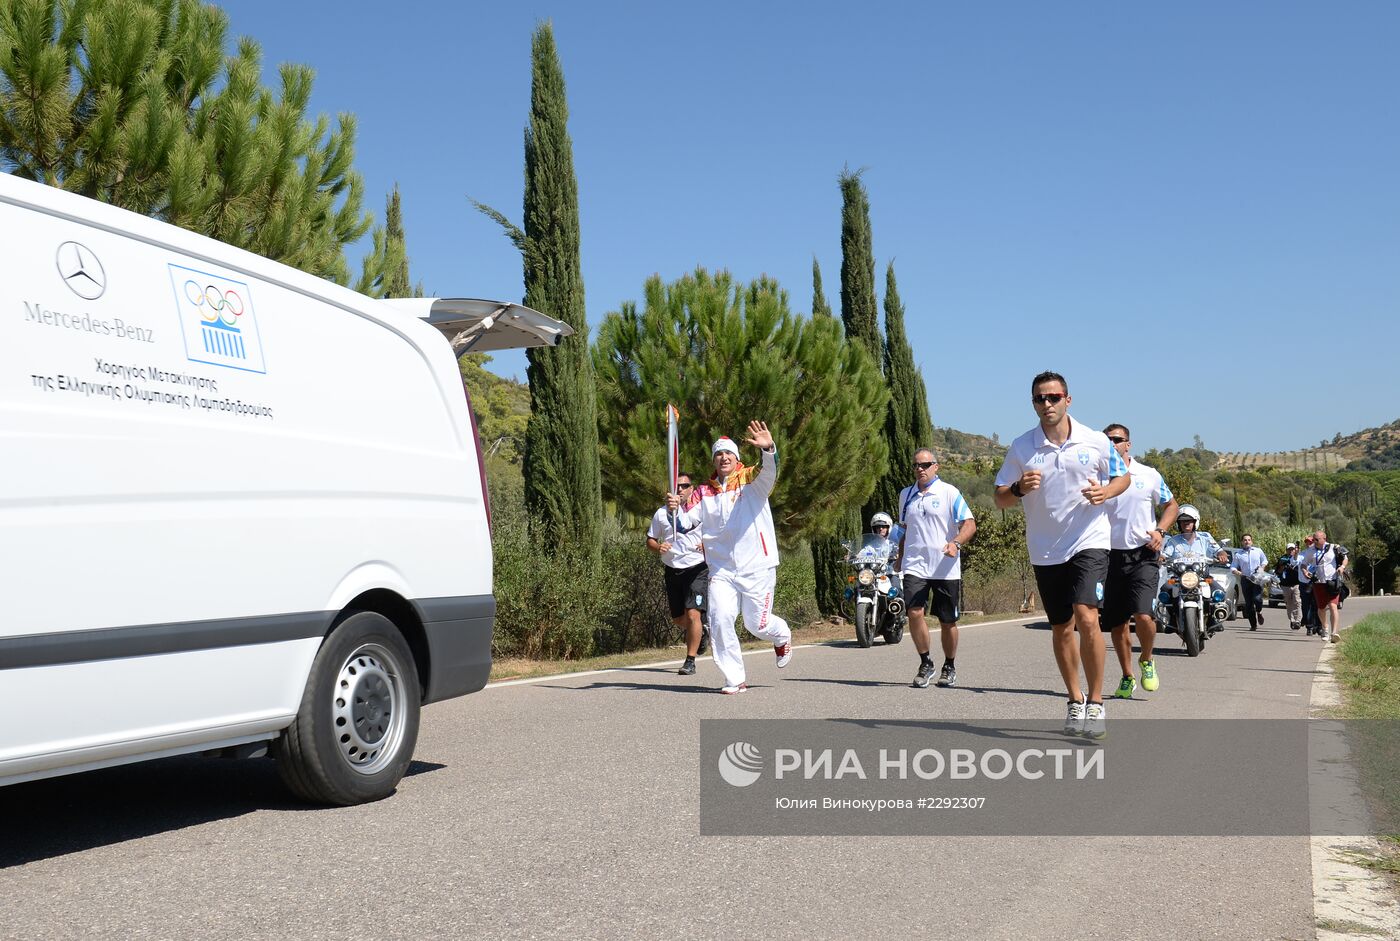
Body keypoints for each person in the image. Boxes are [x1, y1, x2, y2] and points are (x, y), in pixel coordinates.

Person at [995, 371, 1129, 739]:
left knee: (1087, 618)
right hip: (1045, 549)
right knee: (1061, 627)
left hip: (1089, 540)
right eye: (1040, 399)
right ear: (1033, 403)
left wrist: (1107, 493)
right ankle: (1075, 698)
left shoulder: (1095, 441)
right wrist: (1020, 489)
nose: (1047, 404)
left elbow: (1122, 478)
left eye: (1054, 397)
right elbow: (999, 496)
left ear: (1068, 399)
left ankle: (1097, 703)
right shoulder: (1023, 446)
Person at [667, 422, 793, 694]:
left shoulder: (753, 480)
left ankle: (781, 636)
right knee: (720, 618)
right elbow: (687, 521)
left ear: (737, 458)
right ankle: (734, 678)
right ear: (714, 460)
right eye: (718, 454)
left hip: (757, 565)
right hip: (722, 569)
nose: (723, 458)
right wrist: (674, 510)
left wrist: (769, 450)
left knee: (757, 624)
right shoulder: (703, 492)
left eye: (728, 454)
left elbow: (770, 471)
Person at [1100, 424, 1178, 699]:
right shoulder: (1096, 476)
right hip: (1108, 557)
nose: (1112, 444)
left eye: (1117, 440)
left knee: (1144, 614)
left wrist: (1161, 531)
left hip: (1143, 553)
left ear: (1128, 444)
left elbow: (1172, 505)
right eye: (1107, 440)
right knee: (1118, 624)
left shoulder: (1149, 475)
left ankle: (1147, 659)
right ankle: (1127, 676)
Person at [895, 449, 976, 690]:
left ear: (936, 467)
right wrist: (899, 558)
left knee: (947, 621)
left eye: (926, 464)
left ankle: (949, 666)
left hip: (944, 567)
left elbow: (969, 524)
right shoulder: (906, 495)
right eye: (916, 465)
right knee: (914, 612)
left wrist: (956, 543)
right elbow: (905, 530)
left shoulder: (949, 493)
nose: (920, 469)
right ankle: (925, 662)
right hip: (915, 565)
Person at [646, 473, 710, 676]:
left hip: (697, 569)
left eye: (685, 486)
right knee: (678, 619)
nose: (680, 489)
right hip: (673, 570)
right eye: (677, 487)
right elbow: (650, 540)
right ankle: (703, 631)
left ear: (692, 489)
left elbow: (720, 532)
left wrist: (708, 544)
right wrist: (659, 547)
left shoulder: (701, 511)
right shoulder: (661, 514)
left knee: (693, 614)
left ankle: (690, 661)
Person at [1308, 529, 1349, 644]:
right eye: (1313, 539)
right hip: (1318, 583)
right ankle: (1325, 627)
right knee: (1321, 608)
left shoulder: (1334, 548)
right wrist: (1305, 571)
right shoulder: (1310, 550)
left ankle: (1334, 633)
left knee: (1333, 606)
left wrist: (1342, 567)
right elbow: (1304, 564)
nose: (1314, 541)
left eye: (1317, 539)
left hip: (1332, 582)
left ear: (1324, 539)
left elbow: (1345, 558)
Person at [1231, 533, 1270, 630]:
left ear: (1251, 541)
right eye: (1245, 540)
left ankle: (1259, 612)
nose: (1247, 541)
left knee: (1257, 599)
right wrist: (1237, 571)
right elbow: (1233, 566)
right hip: (1246, 579)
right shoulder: (1238, 554)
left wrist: (1262, 567)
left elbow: (1265, 560)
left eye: (1248, 540)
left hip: (1257, 578)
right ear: (1242, 542)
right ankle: (1253, 625)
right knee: (1248, 603)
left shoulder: (1258, 551)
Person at [1275, 543, 1303, 631]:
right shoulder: (1283, 558)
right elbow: (1278, 571)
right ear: (1286, 550)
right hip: (1285, 585)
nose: (1291, 551)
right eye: (1289, 549)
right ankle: (1292, 620)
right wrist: (1283, 566)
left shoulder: (1299, 558)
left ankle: (1298, 621)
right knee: (1289, 603)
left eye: (1293, 549)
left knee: (1297, 602)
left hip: (1296, 584)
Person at [1298, 534, 1321, 635]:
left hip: (1317, 583)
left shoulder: (1319, 554)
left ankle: (1319, 626)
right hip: (1304, 583)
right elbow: (1295, 562)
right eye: (1307, 542)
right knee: (1306, 606)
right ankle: (1309, 627)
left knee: (1317, 606)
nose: (1309, 544)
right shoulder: (1301, 555)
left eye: (1311, 542)